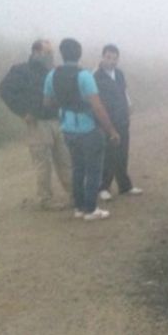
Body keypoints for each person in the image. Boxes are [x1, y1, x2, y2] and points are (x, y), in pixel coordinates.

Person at [43, 38, 121, 221]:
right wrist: (111, 131)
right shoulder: (84, 76)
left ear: (62, 54)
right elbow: (97, 106)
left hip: (68, 128)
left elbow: (47, 103)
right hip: (88, 128)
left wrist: (65, 106)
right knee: (93, 170)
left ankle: (79, 207)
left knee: (77, 168)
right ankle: (91, 209)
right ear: (79, 54)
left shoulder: (52, 75)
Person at [0, 39, 72, 210]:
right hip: (38, 123)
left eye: (51, 53)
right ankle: (45, 199)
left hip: (57, 120)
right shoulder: (21, 70)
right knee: (43, 163)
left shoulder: (52, 71)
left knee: (65, 159)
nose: (50, 56)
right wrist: (22, 111)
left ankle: (75, 194)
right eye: (47, 52)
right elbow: (4, 90)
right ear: (35, 52)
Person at [94, 44, 143, 201]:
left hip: (122, 118)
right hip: (107, 121)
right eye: (108, 57)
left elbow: (124, 91)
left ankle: (125, 185)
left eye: (115, 58)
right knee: (108, 154)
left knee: (122, 153)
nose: (111, 61)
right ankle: (103, 187)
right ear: (102, 57)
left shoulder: (119, 74)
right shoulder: (95, 76)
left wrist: (129, 105)